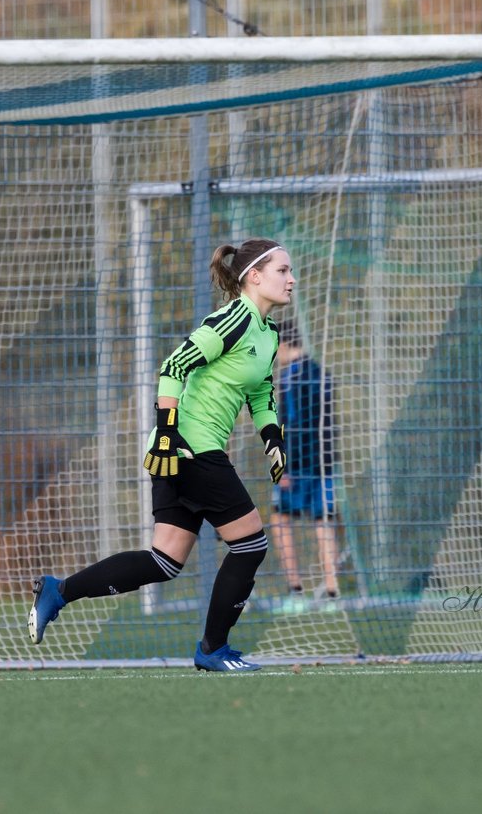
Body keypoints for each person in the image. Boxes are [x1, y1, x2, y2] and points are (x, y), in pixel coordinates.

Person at [29, 237, 294, 672]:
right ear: (254, 277)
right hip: (189, 449)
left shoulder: (268, 334)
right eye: (283, 271)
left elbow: (261, 393)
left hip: (184, 450)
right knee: (250, 545)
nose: (292, 279)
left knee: (164, 562)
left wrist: (273, 439)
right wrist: (169, 434)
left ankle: (59, 591)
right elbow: (174, 366)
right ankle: (212, 649)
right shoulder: (232, 320)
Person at [269, 322, 341, 612]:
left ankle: (296, 591)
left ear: (283, 344)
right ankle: (332, 593)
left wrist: (284, 466)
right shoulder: (321, 373)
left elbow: (293, 425)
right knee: (323, 521)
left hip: (298, 464)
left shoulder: (291, 377)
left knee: (280, 519)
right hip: (324, 461)